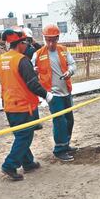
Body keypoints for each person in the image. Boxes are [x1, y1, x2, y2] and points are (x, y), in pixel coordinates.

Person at [0, 28, 53, 181]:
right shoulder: (22, 60)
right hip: (22, 105)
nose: (27, 45)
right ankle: (10, 165)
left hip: (9, 104)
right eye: (26, 42)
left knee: (20, 135)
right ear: (19, 43)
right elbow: (32, 84)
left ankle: (27, 162)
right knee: (24, 136)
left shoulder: (2, 60)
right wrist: (46, 95)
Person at [32, 24, 77, 162]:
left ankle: (66, 144)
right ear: (44, 39)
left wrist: (69, 72)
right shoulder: (38, 54)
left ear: (57, 38)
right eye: (48, 40)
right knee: (60, 122)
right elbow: (30, 69)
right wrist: (33, 70)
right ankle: (59, 150)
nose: (51, 43)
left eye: (53, 40)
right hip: (52, 95)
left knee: (69, 120)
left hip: (66, 92)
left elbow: (73, 64)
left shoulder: (63, 51)